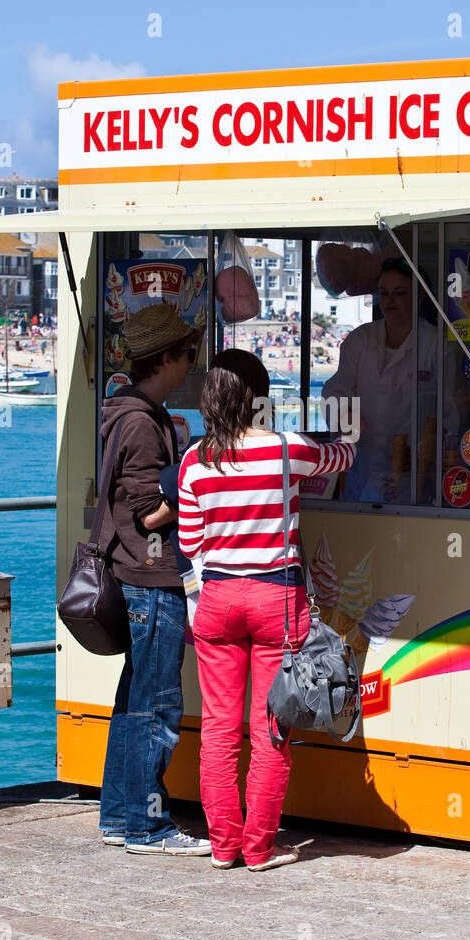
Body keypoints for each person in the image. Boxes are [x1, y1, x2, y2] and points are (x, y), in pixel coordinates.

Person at [178, 350, 356, 871]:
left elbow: (192, 542)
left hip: (216, 602)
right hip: (276, 601)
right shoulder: (287, 449)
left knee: (218, 727)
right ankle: (259, 848)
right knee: (272, 725)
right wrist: (354, 425)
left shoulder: (195, 461)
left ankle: (223, 846)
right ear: (260, 398)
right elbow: (343, 457)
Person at [98, 302, 211, 856]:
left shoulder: (127, 412)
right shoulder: (143, 422)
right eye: (188, 354)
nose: (192, 363)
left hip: (132, 573)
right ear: (165, 358)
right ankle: (147, 825)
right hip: (151, 573)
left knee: (134, 700)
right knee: (158, 703)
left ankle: (120, 816)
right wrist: (195, 482)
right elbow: (146, 515)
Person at [322, 256, 460, 503]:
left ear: (418, 296)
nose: (390, 301)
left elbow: (448, 412)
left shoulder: (437, 346)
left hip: (411, 480)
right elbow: (335, 390)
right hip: (359, 471)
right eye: (384, 293)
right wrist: (344, 414)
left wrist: (424, 452)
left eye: (399, 293)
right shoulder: (360, 340)